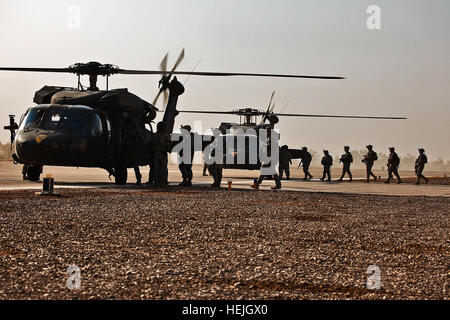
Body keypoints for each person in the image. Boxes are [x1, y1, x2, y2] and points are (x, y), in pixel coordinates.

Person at [151, 122, 171, 186]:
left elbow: (151, 144)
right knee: (163, 168)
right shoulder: (166, 136)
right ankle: (163, 181)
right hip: (163, 154)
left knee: (156, 168)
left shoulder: (154, 136)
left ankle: (157, 181)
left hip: (156, 153)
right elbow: (169, 145)